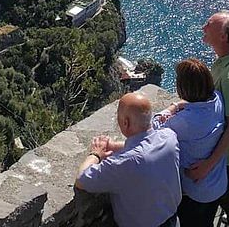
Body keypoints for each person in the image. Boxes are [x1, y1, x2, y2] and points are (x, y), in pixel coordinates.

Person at [188, 11, 229, 227]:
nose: (203, 28)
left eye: (209, 25)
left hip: (226, 155)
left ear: (224, 37)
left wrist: (208, 165)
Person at [75, 92, 181, 227]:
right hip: (172, 220)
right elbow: (145, 145)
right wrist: (115, 146)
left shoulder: (123, 163)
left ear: (125, 122)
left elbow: (81, 180)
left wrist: (95, 154)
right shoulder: (169, 137)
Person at [151, 58, 227, 227]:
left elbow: (153, 127)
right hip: (218, 183)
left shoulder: (185, 121)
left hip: (195, 189)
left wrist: (173, 107)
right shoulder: (218, 100)